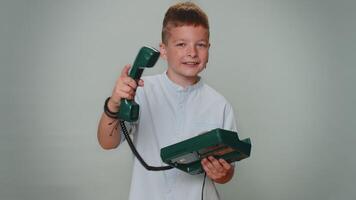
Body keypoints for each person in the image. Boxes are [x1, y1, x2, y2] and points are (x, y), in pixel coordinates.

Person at [97, 2, 237, 200]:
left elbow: (228, 170)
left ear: (209, 49)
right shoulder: (141, 90)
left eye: (201, 45)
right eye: (181, 44)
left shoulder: (220, 105)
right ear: (163, 51)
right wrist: (114, 104)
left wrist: (223, 174)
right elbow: (107, 142)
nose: (192, 53)